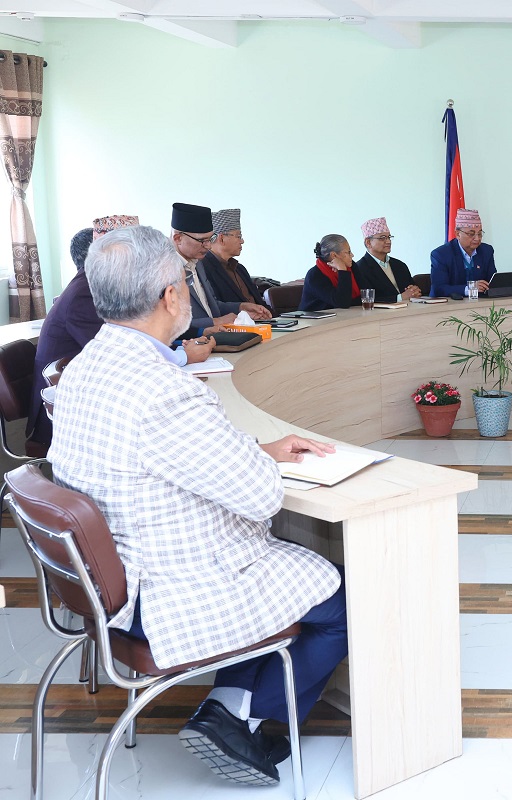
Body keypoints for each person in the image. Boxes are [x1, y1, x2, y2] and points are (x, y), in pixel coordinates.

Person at [49, 225, 347, 787]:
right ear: (171, 297)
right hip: (167, 589)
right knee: (339, 600)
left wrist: (256, 448)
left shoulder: (85, 366)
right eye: (184, 282)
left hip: (103, 582)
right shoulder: (165, 388)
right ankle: (247, 721)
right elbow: (261, 497)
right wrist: (257, 461)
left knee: (275, 573)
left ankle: (228, 705)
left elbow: (161, 458)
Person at [27, 215, 214, 452]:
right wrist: (184, 357)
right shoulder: (86, 292)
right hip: (74, 417)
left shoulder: (103, 285)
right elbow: (124, 355)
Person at [172, 202, 270, 335]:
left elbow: (211, 306)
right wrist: (215, 322)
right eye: (202, 241)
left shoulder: (197, 262)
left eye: (210, 238)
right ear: (178, 238)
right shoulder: (164, 270)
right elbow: (166, 326)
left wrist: (240, 307)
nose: (208, 246)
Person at [199, 208, 270, 308]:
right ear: (221, 238)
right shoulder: (203, 269)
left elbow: (260, 303)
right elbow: (214, 307)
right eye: (238, 236)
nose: (242, 241)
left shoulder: (240, 269)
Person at [430, 208, 496, 298]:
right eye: (471, 234)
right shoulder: (441, 254)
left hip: (480, 303)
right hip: (450, 305)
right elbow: (439, 289)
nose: (477, 238)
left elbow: (492, 282)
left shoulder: (486, 251)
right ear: (458, 234)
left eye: (480, 234)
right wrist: (470, 289)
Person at [353, 216, 422, 303]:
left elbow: (411, 289)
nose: (388, 241)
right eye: (382, 238)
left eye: (389, 237)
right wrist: (400, 298)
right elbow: (365, 299)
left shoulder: (400, 265)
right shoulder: (360, 268)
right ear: (368, 242)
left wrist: (414, 291)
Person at [300, 234, 361, 310]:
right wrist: (342, 271)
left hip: (345, 314)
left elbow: (366, 295)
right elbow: (342, 302)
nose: (352, 255)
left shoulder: (352, 266)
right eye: (348, 252)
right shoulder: (315, 275)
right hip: (314, 316)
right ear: (334, 255)